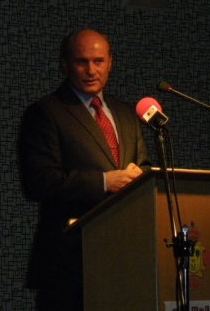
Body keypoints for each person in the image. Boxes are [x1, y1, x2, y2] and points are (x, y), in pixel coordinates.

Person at [18, 29, 150, 310]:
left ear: (111, 62)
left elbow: (143, 165)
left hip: (127, 255)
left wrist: (141, 178)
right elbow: (38, 182)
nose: (91, 70)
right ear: (64, 63)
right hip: (69, 258)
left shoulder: (127, 113)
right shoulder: (46, 112)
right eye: (81, 61)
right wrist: (104, 182)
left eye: (98, 61)